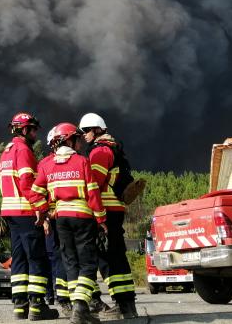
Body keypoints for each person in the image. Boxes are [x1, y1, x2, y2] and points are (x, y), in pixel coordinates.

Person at [29, 123, 107, 324]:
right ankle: (81, 307)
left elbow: (35, 193)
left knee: (70, 262)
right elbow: (93, 193)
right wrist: (101, 220)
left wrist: (45, 212)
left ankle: (76, 309)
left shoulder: (46, 164)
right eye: (77, 139)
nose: (80, 142)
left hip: (61, 220)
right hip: (82, 218)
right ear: (68, 140)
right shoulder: (82, 162)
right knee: (88, 262)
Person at [78, 113, 140, 319]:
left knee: (106, 258)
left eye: (86, 131)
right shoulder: (113, 148)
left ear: (97, 130)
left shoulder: (99, 152)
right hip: (115, 209)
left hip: (106, 211)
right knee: (116, 255)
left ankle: (122, 306)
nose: (84, 135)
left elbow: (92, 184)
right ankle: (127, 305)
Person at [0, 112, 59, 320]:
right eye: (33, 129)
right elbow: (26, 183)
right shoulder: (23, 150)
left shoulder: (7, 151)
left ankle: (20, 305)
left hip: (10, 212)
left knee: (20, 259)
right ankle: (37, 306)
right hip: (25, 212)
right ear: (24, 130)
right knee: (37, 257)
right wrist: (42, 207)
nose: (35, 133)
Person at [42, 128, 71, 315]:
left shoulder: (74, 161)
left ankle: (63, 295)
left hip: (65, 218)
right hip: (53, 220)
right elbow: (39, 193)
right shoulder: (45, 164)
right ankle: (54, 295)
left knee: (65, 258)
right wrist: (45, 217)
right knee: (55, 258)